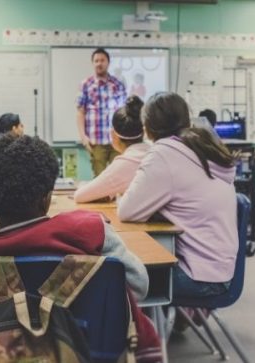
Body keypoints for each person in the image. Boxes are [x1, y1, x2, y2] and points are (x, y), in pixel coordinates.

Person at [0, 134, 161, 361]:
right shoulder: (90, 229)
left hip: (12, 352)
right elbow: (139, 286)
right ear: (46, 199)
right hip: (92, 351)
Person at [118, 92, 238, 301]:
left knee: (112, 277)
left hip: (199, 277)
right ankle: (170, 323)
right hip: (221, 269)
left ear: (147, 127)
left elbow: (127, 211)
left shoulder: (164, 153)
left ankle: (144, 333)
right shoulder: (200, 146)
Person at [74, 95, 149, 203]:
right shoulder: (155, 152)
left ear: (113, 135)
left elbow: (79, 196)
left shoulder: (124, 163)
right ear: (144, 132)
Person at [77, 48, 127, 177]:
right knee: (99, 178)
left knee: (118, 177)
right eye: (96, 60)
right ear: (93, 63)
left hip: (116, 140)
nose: (99, 63)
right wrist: (83, 137)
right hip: (96, 141)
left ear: (108, 63)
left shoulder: (118, 84)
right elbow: (80, 112)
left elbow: (124, 112)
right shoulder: (85, 84)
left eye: (102, 60)